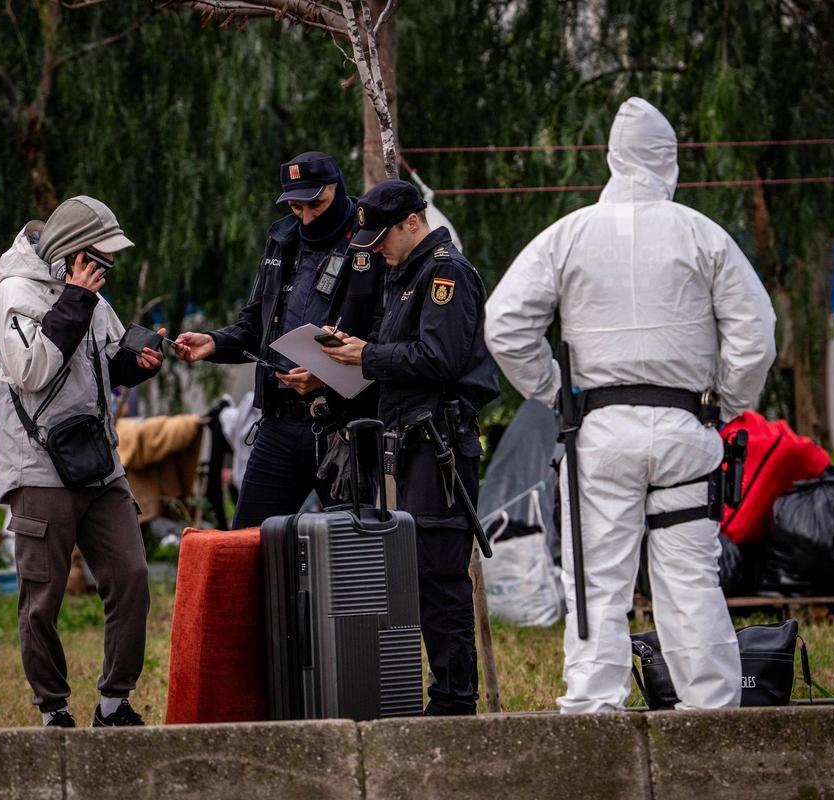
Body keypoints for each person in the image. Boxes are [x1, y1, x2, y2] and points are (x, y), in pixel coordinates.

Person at [483, 97, 777, 713]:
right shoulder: (703, 234)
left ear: (612, 160)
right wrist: (727, 401)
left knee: (595, 585)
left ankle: (594, 716)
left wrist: (553, 392)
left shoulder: (568, 235)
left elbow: (505, 323)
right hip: (685, 432)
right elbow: (756, 331)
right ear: (669, 162)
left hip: (599, 436)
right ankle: (712, 717)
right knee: (691, 584)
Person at [0, 195, 166, 728]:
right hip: (39, 468)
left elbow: (108, 358)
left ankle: (115, 702)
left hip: (100, 463)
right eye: (98, 255)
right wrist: (74, 300)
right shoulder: (12, 295)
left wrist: (139, 361)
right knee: (42, 598)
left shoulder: (87, 292)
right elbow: (34, 370)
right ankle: (54, 710)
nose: (106, 266)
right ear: (70, 251)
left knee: (131, 576)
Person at [322, 179, 498, 715]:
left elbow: (438, 358)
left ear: (412, 222)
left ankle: (453, 700)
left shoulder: (443, 273)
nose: (378, 251)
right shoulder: (404, 276)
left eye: (384, 239)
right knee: (416, 572)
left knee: (439, 575)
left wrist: (367, 356)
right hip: (409, 441)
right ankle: (441, 692)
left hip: (439, 444)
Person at [173, 152, 384, 528]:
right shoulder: (281, 239)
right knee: (247, 543)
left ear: (338, 187)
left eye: (315, 204)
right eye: (295, 206)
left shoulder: (370, 243)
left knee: (353, 550)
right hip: (279, 424)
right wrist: (213, 343)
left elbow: (385, 341)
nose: (306, 216)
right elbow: (255, 328)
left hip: (343, 426)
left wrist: (326, 375)